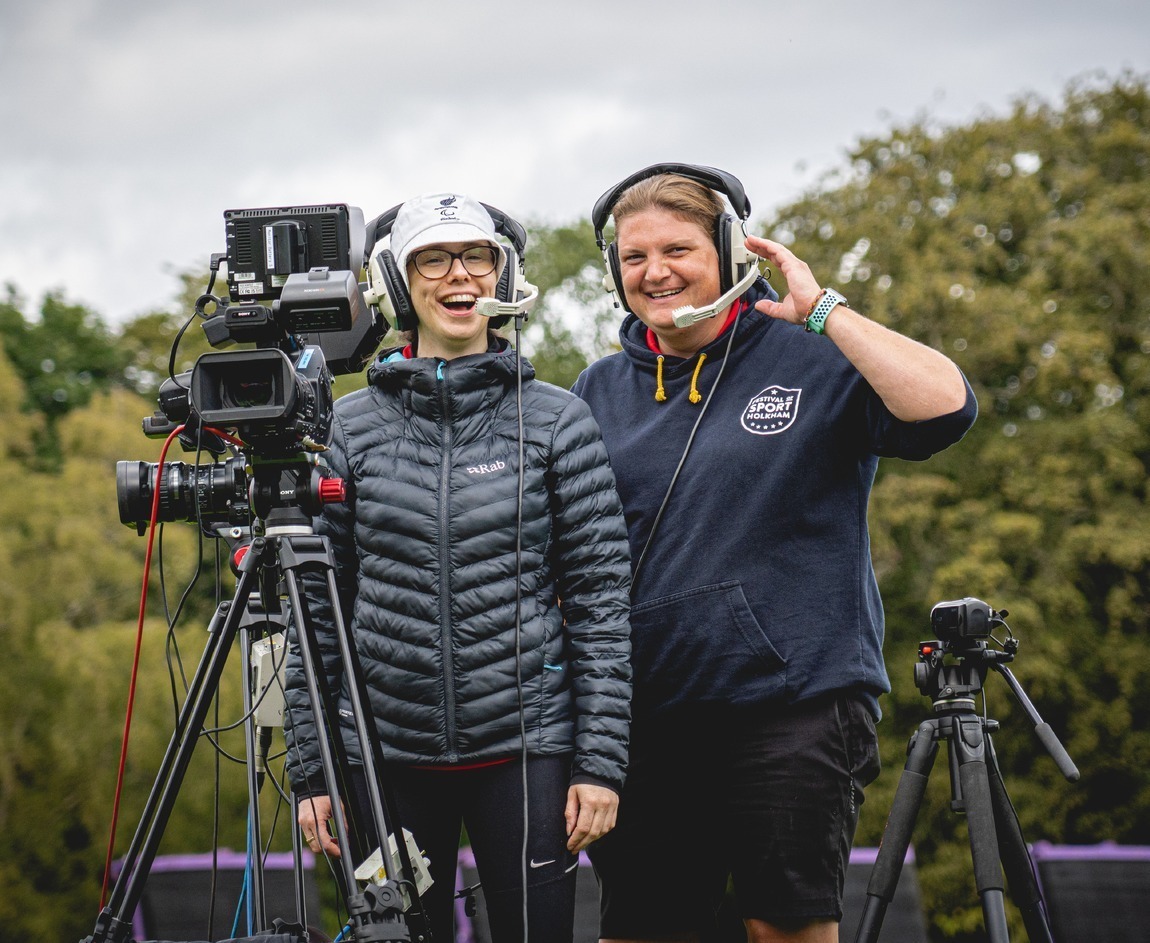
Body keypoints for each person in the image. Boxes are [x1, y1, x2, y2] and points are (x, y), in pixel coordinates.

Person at [571, 164, 978, 943]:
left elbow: (948, 405)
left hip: (793, 707)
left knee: (785, 930)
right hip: (647, 717)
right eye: (633, 257)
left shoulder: (812, 352)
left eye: (678, 248)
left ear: (730, 249)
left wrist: (823, 310)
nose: (654, 271)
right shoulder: (594, 391)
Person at [283, 192, 633, 942]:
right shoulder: (347, 427)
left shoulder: (556, 418)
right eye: (433, 259)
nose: (458, 275)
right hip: (381, 759)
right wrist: (312, 772)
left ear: (503, 275)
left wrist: (599, 764)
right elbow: (315, 611)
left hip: (530, 751)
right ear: (399, 281)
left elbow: (602, 603)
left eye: (477, 256)